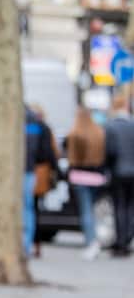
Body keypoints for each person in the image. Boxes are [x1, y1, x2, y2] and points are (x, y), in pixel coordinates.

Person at [64, 107, 106, 260]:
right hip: (96, 177)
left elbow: (72, 158)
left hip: (80, 176)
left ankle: (91, 242)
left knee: (86, 211)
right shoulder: (99, 133)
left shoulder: (75, 134)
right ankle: (95, 238)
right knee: (93, 210)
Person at [104, 92, 134, 256]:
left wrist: (106, 169)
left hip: (118, 172)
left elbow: (109, 151)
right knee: (130, 207)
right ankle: (128, 238)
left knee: (119, 207)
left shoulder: (111, 126)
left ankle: (121, 241)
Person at [29, 103, 59, 258]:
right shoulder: (45, 128)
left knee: (29, 208)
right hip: (41, 172)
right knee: (34, 208)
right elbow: (52, 153)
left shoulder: (31, 126)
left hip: (33, 171)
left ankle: (30, 243)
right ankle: (35, 243)